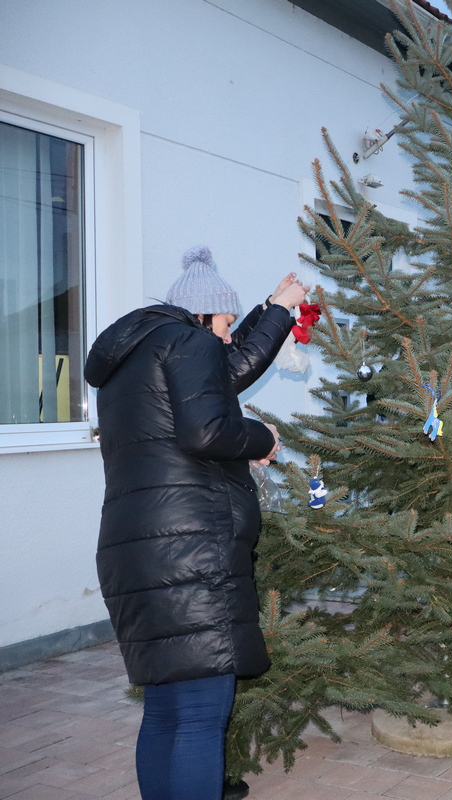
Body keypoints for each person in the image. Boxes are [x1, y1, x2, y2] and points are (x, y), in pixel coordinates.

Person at [84, 245, 307, 800]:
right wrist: (262, 437)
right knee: (203, 715)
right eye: (227, 325)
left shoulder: (132, 361)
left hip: (136, 547)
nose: (228, 339)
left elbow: (216, 384)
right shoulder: (189, 342)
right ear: (202, 317)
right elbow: (206, 430)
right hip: (191, 551)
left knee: (165, 710)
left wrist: (273, 310)